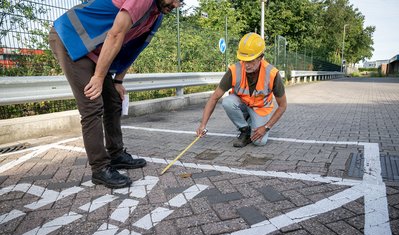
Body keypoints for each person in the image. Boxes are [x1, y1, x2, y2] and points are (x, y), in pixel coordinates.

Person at [49, 0, 182, 188]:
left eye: (181, 1)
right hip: (70, 37)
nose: (176, 5)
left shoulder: (156, 15)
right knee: (92, 104)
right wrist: (98, 76)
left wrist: (118, 80)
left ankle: (116, 154)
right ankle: (100, 169)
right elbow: (115, 34)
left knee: (113, 101)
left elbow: (133, 48)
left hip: (94, 50)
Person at [196, 33, 287, 147]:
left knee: (259, 142)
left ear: (260, 57)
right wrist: (202, 125)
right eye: (244, 60)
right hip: (242, 105)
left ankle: (251, 122)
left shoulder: (272, 74)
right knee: (228, 101)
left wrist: (266, 127)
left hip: (260, 109)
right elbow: (214, 97)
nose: (246, 65)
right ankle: (245, 130)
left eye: (250, 61)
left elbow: (283, 106)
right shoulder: (234, 70)